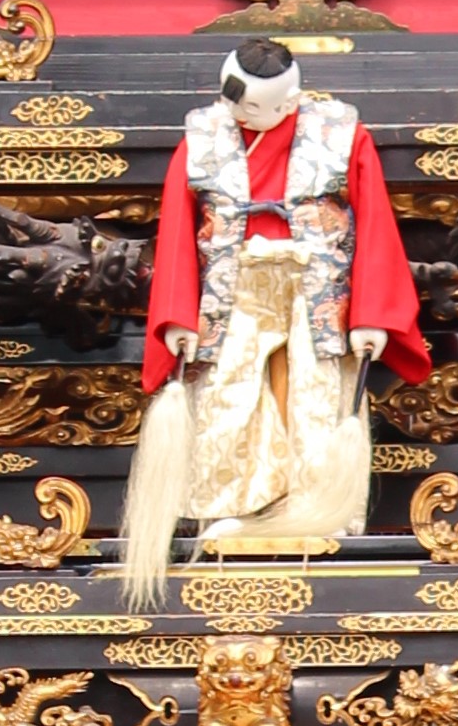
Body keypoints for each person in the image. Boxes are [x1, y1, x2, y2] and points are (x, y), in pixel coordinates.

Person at [119, 38, 426, 604]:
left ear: (289, 99)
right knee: (231, 394)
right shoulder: (202, 136)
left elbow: (376, 222)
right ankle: (236, 505)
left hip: (315, 288)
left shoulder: (340, 132)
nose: (241, 113)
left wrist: (372, 313)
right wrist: (175, 316)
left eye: (256, 106)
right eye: (236, 103)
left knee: (312, 393)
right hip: (231, 290)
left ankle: (316, 506)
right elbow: (178, 232)